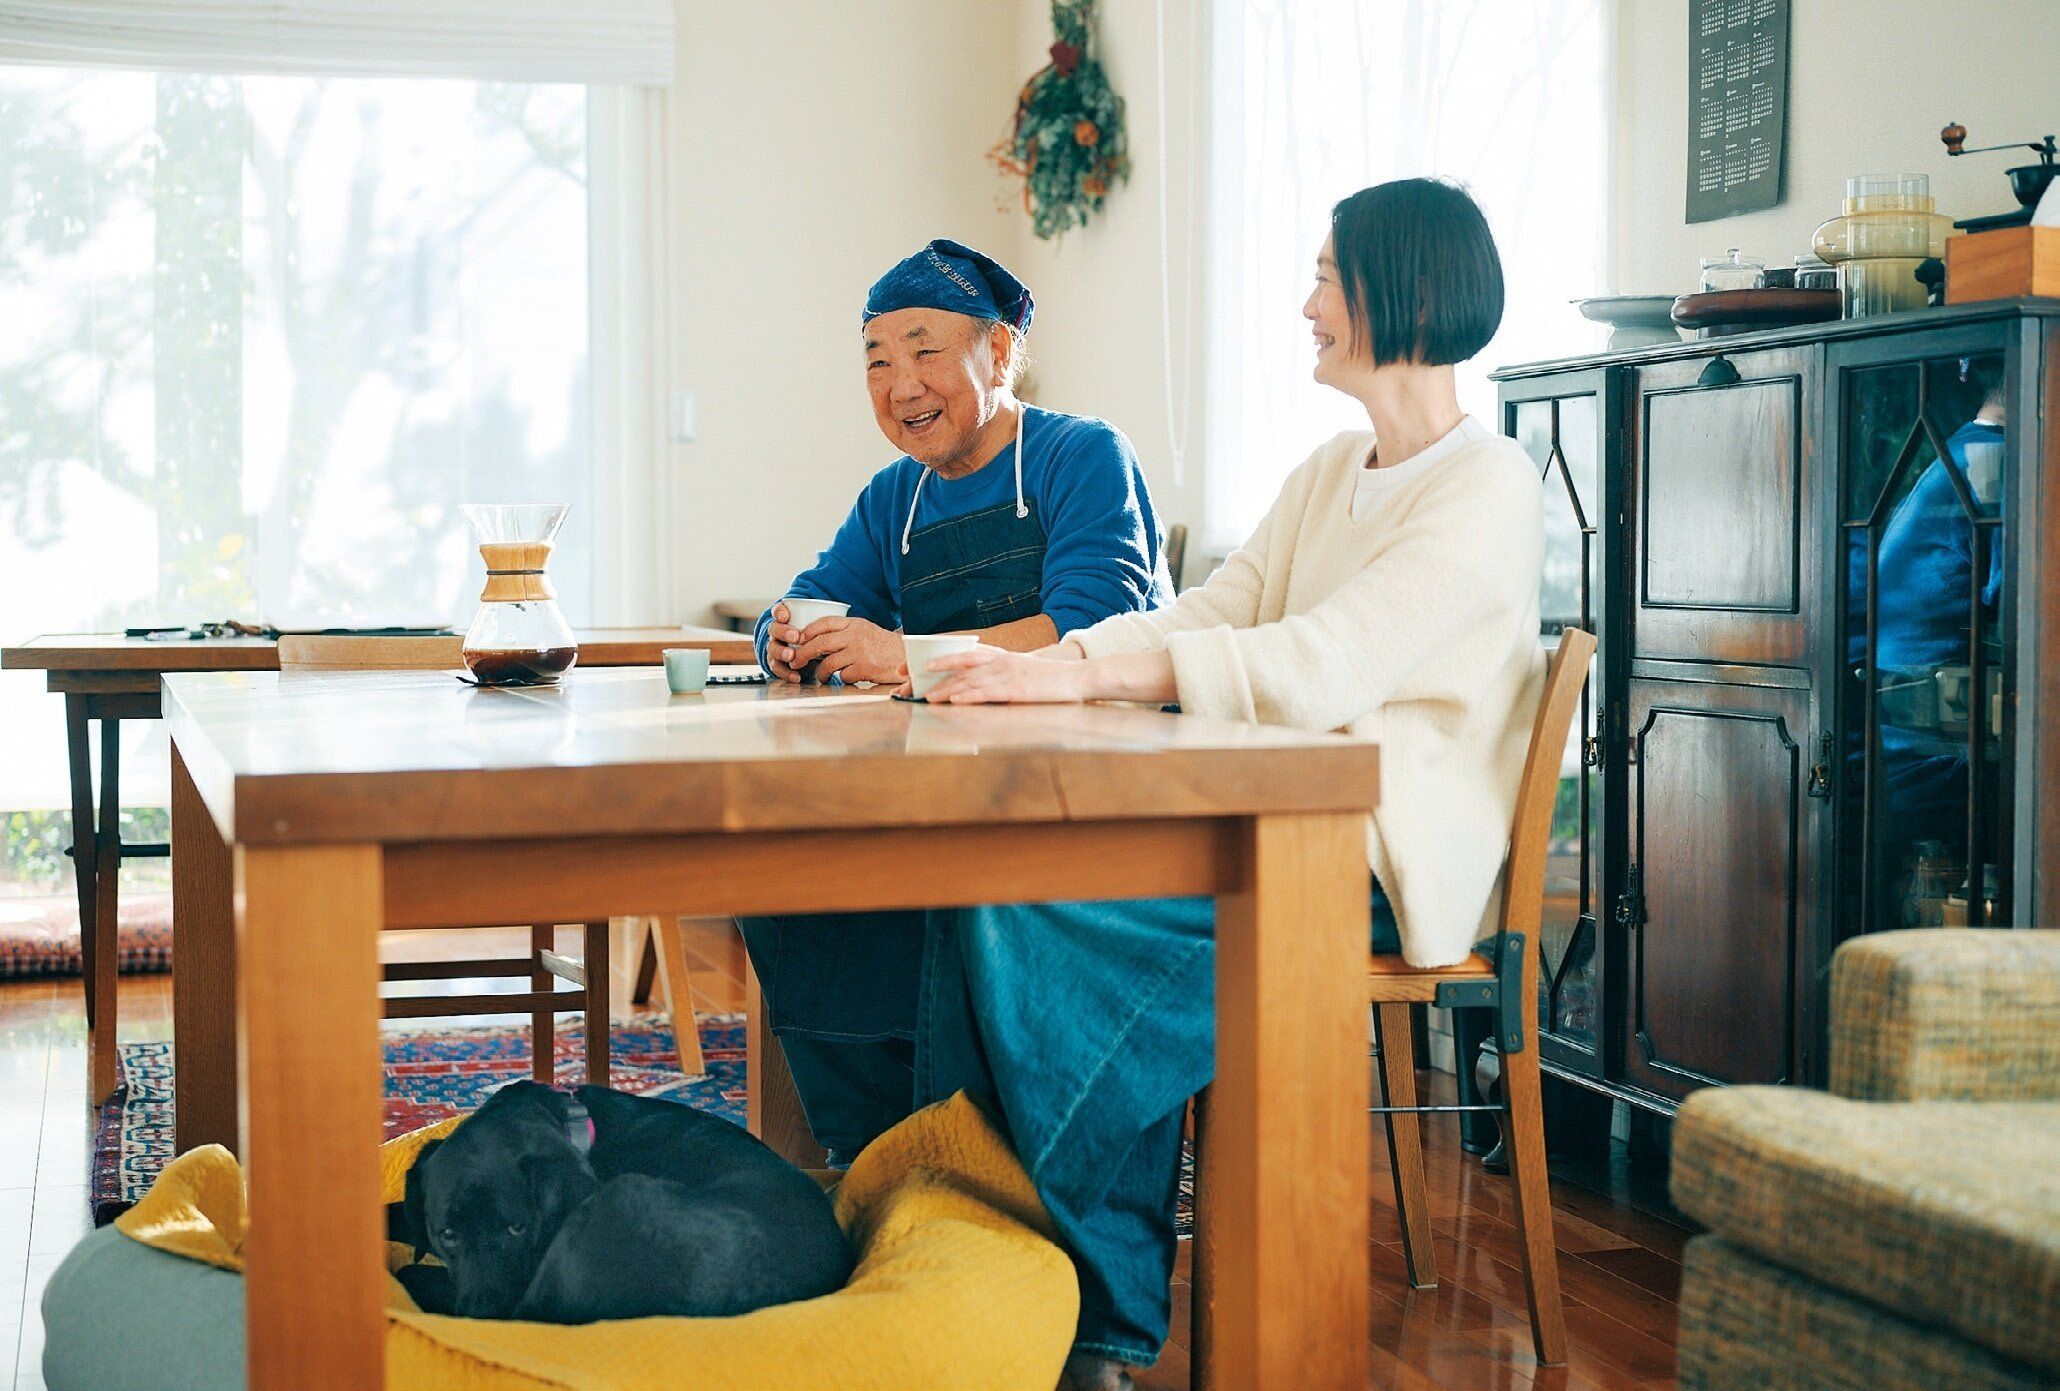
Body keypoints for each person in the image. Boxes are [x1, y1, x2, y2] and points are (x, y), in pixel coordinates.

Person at [913, 179, 1546, 1391]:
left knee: (1050, 918)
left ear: (1395, 290)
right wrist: (1039, 665)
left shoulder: (1488, 484)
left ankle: (1062, 1300)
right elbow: (1211, 612)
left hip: (1368, 854)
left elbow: (1316, 665)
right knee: (990, 883)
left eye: (1324, 276)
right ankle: (992, 1256)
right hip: (1266, 821)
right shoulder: (1327, 470)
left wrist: (1058, 683)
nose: (1305, 303)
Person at [739, 238, 1174, 1174]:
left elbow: (1092, 632)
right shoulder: (893, 498)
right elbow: (812, 594)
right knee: (785, 880)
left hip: (1089, 799)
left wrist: (899, 653)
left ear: (1002, 352)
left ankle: (984, 1149)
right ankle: (879, 1152)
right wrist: (777, 634)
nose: (902, 385)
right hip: (950, 798)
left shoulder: (1082, 455)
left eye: (926, 350)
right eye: (878, 361)